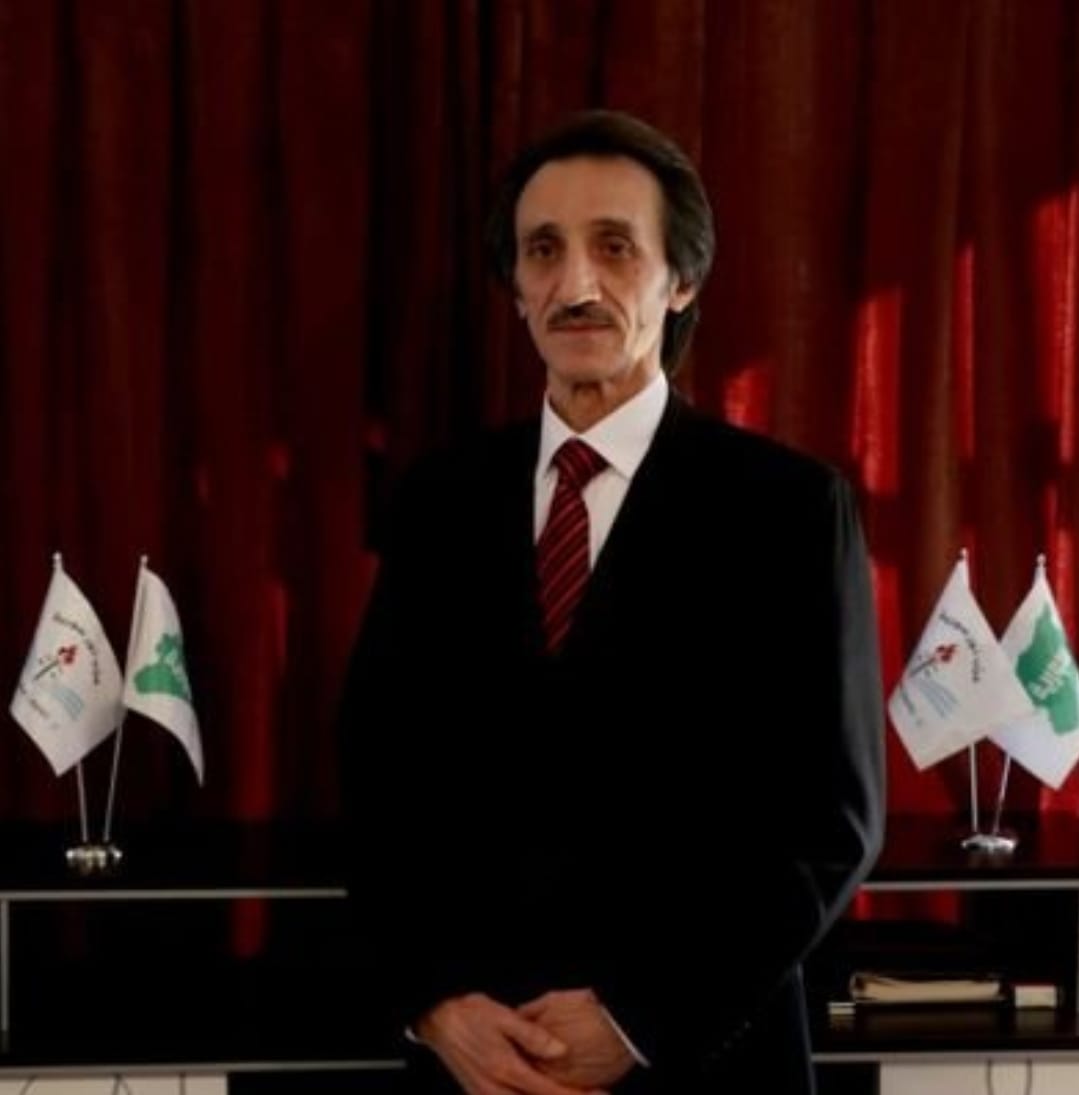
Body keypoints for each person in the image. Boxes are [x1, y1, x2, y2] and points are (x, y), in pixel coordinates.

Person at [339, 109, 885, 1095]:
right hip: (474, 1064)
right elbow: (377, 778)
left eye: (614, 247)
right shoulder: (438, 499)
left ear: (681, 280)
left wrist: (639, 1019)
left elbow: (829, 821)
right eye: (542, 250)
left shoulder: (789, 509)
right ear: (515, 287)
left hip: (702, 1057)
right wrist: (434, 1002)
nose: (576, 285)